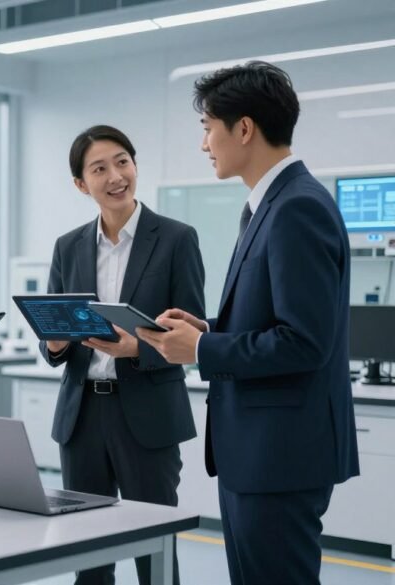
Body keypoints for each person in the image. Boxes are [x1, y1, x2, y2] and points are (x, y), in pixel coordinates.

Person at [136, 61, 359, 585]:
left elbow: (304, 342)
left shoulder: (297, 208)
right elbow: (274, 319)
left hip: (278, 456)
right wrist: (207, 330)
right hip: (257, 453)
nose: (204, 144)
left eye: (208, 128)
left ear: (243, 128)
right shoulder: (270, 206)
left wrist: (202, 351)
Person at [41, 125, 205, 585]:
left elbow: (192, 337)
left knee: (155, 553)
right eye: (99, 168)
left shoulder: (176, 239)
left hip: (148, 414)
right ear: (81, 184)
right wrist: (53, 343)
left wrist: (140, 348)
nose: (115, 176)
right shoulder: (68, 246)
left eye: (122, 162)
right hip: (82, 415)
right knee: (88, 557)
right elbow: (54, 335)